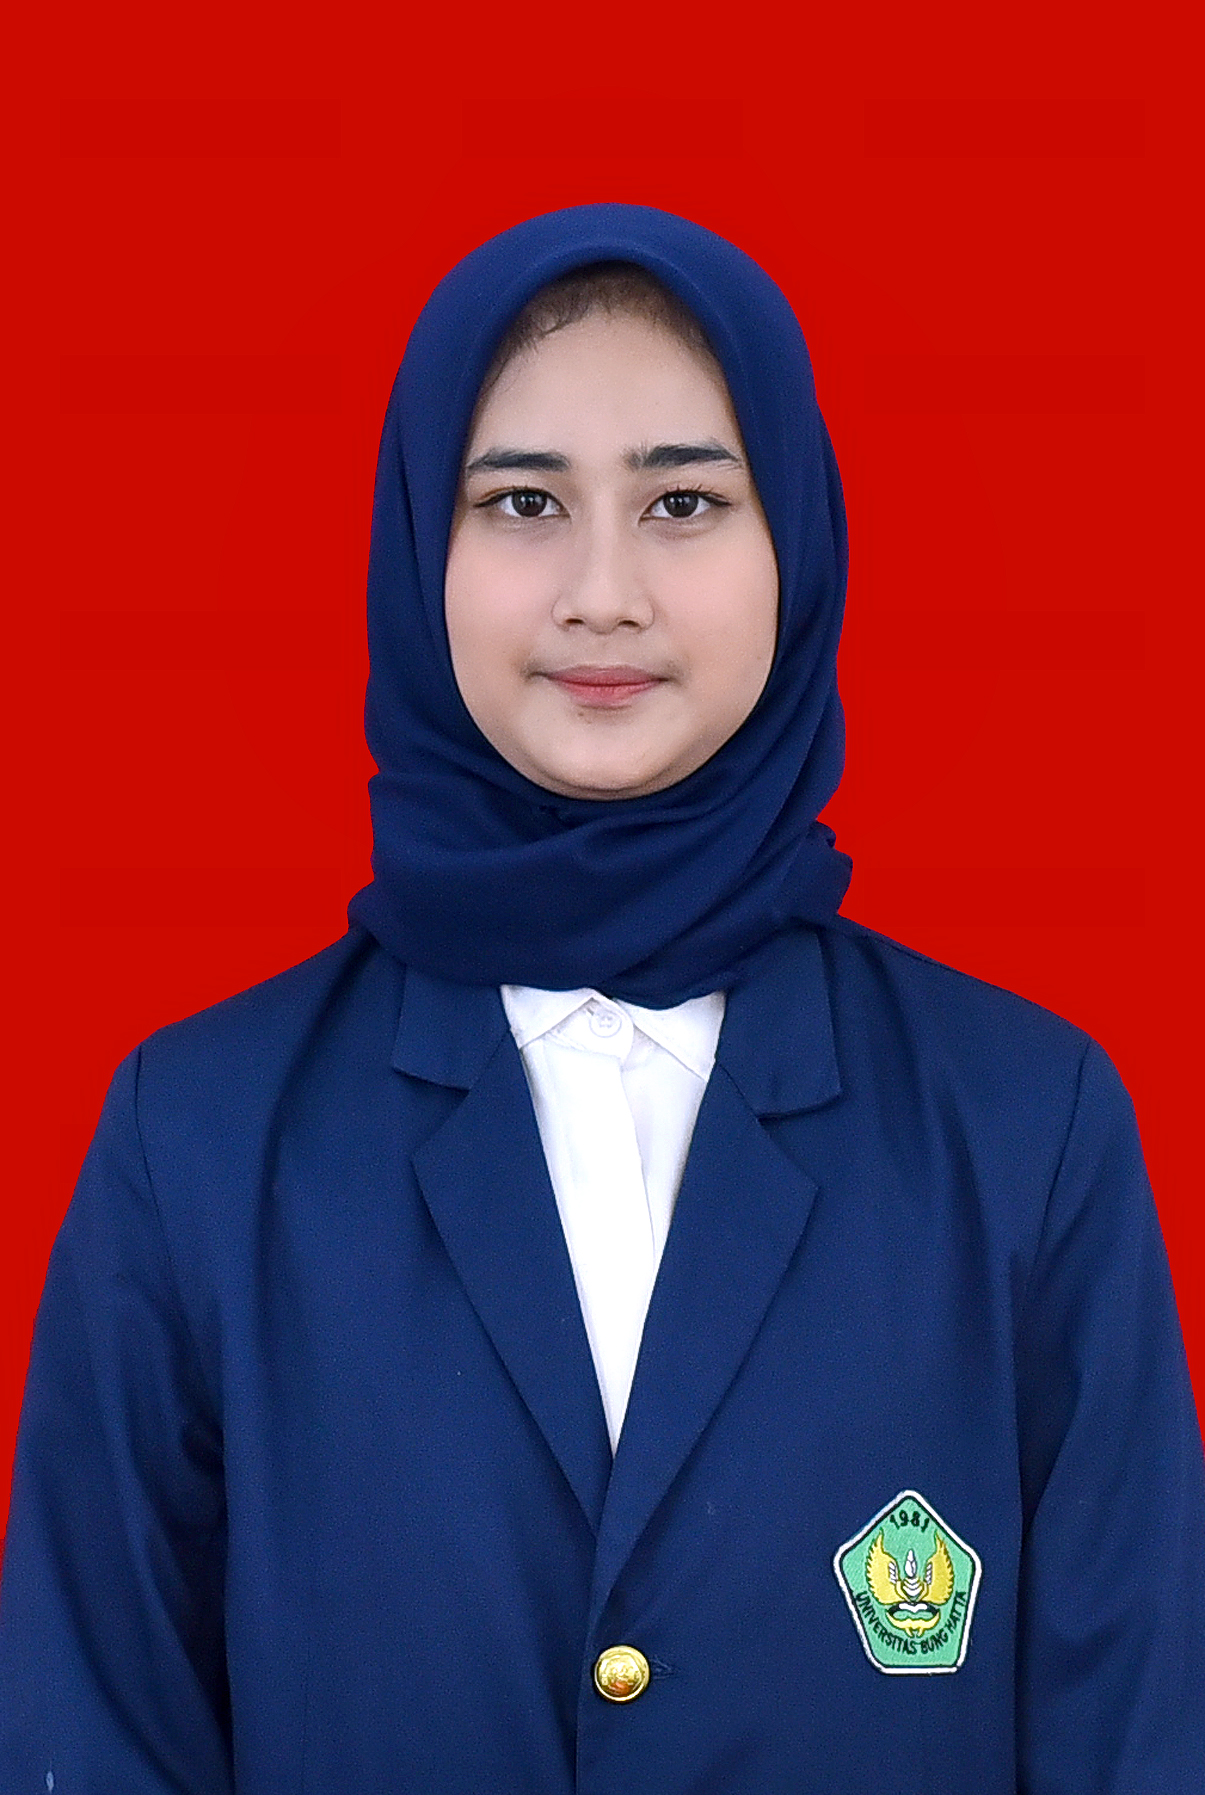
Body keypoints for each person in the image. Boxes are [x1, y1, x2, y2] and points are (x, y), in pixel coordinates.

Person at [1, 203, 1202, 1793]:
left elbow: (1137, 1731)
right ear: (419, 549)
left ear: (797, 549)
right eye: (522, 503)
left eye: (683, 501)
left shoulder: (1024, 1127)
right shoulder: (201, 1141)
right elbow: (94, 1727)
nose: (602, 592)